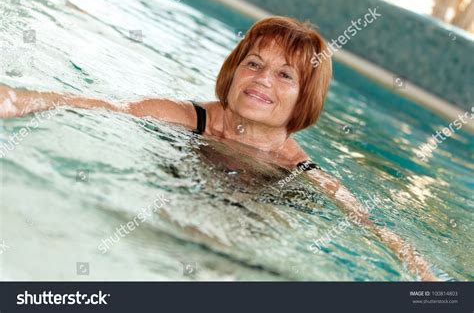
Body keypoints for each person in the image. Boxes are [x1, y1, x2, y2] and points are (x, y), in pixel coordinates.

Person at [0, 16, 436, 280]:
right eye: (254, 63)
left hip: (243, 235)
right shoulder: (188, 118)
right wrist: (20, 100)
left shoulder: (305, 175)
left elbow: (371, 227)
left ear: (305, 99)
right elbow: (108, 107)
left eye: (285, 75)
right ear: (234, 72)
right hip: (169, 207)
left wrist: (427, 279)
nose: (263, 79)